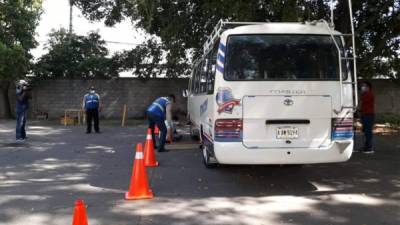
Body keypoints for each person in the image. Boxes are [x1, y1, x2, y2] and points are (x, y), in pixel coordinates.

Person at [359, 81, 375, 154]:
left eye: (364, 86)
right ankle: (366, 147)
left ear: (368, 87)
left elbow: (362, 100)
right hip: (365, 115)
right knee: (365, 132)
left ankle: (369, 148)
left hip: (368, 115)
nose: (362, 87)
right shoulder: (365, 94)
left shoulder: (369, 94)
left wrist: (361, 94)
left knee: (368, 132)